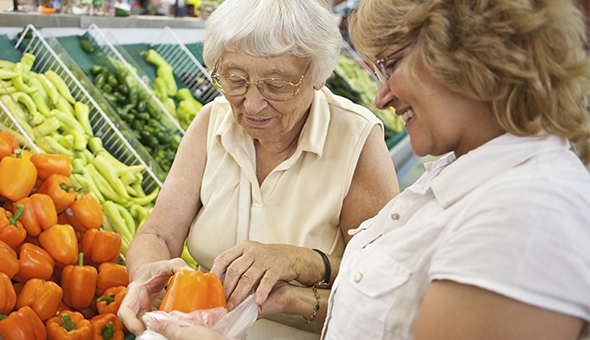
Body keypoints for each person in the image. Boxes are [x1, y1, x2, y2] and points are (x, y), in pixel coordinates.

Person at [134, 0, 590, 339]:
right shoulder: (457, 180)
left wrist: (302, 266)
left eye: (391, 65)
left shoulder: (529, 210)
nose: (381, 97)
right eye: (235, 80)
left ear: (471, 61)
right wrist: (287, 295)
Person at [117, 0, 400, 338]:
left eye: (276, 85)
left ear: (317, 76)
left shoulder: (357, 139)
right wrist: (146, 273)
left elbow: (384, 287)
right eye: (235, 80)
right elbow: (158, 234)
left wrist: (301, 268)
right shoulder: (212, 121)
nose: (251, 104)